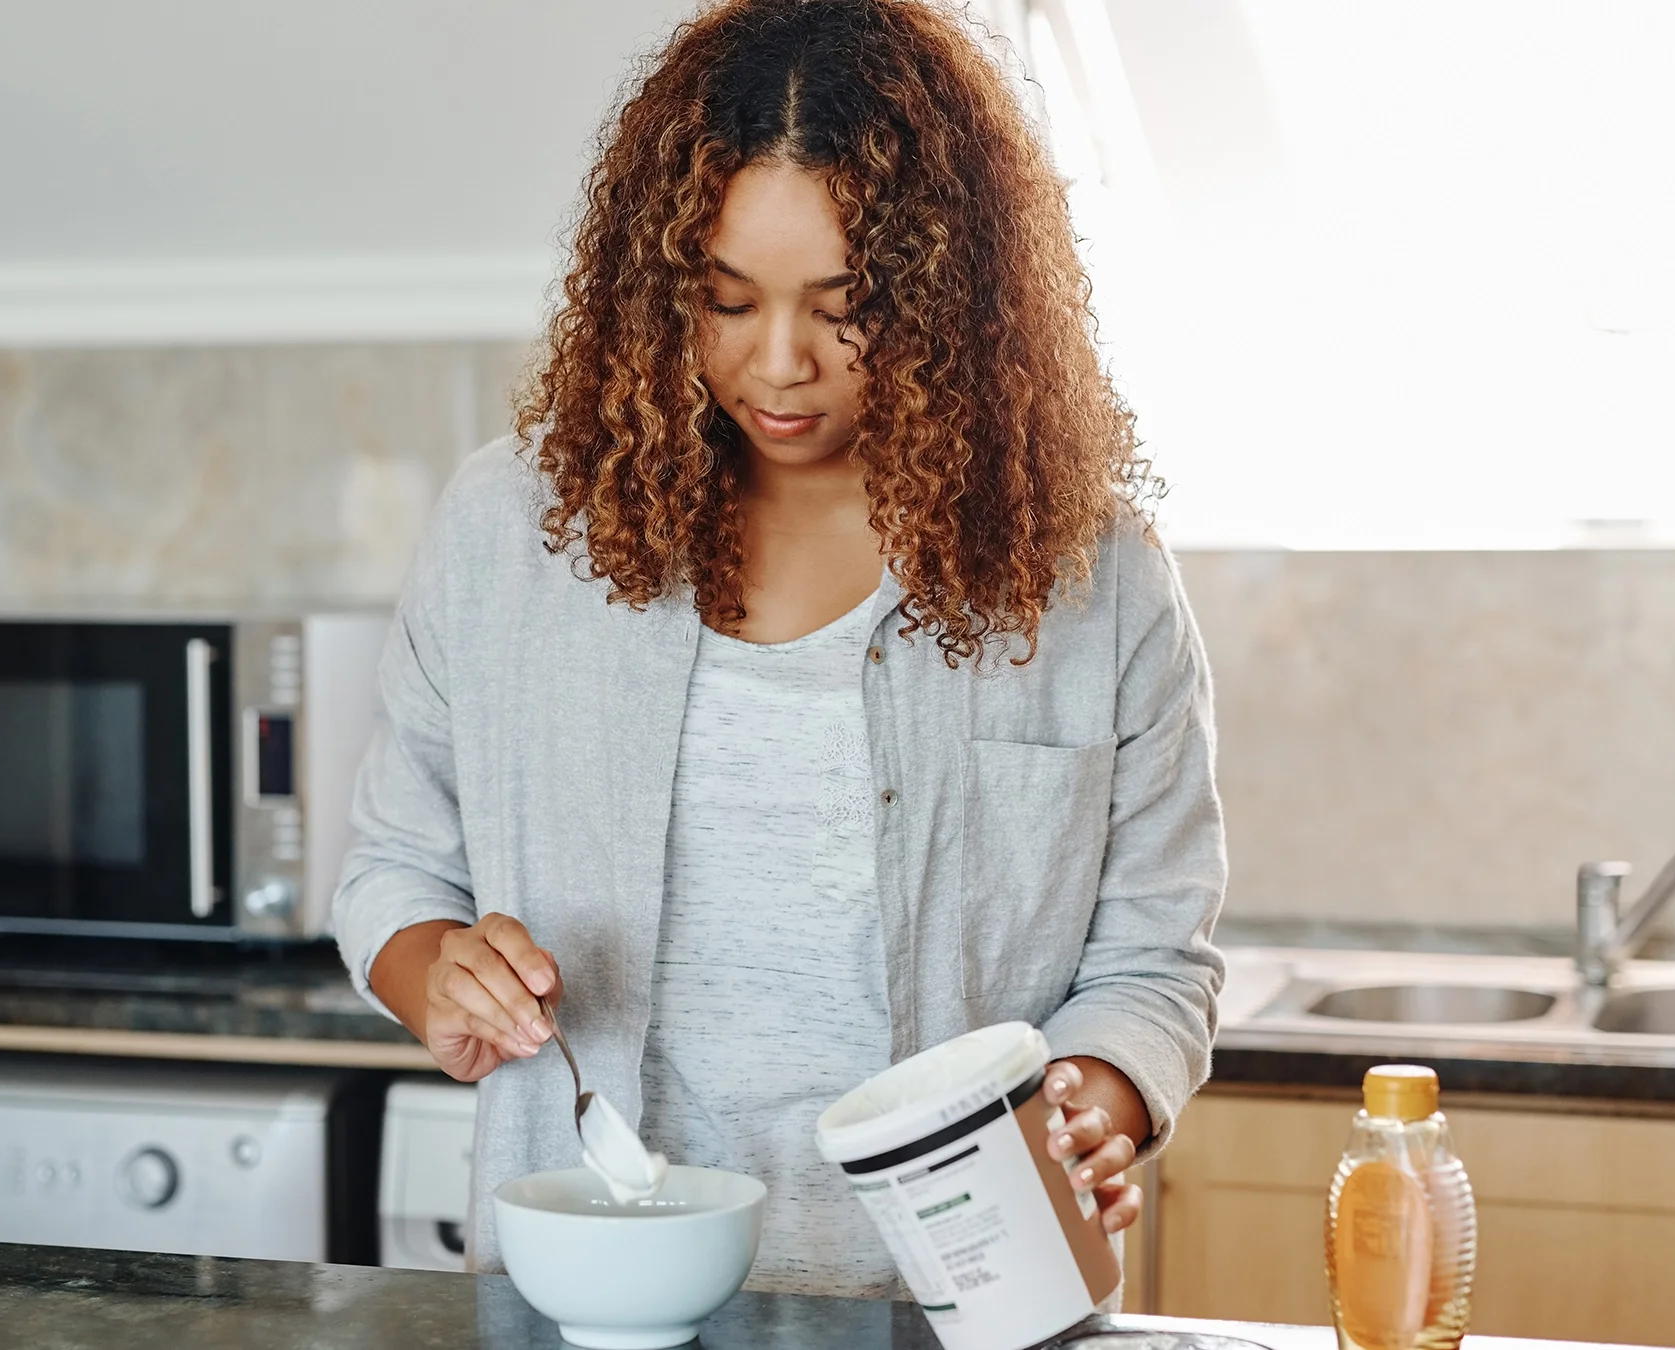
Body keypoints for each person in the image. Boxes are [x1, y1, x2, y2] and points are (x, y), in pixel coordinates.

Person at [334, 0, 1225, 1298]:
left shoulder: (1092, 579)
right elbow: (394, 872)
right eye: (727, 300)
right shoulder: (509, 533)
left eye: (843, 305)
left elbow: (1155, 960)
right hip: (597, 1292)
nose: (781, 362)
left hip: (974, 1301)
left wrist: (1095, 1100)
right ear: (658, 289)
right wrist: (439, 972)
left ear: (946, 295)